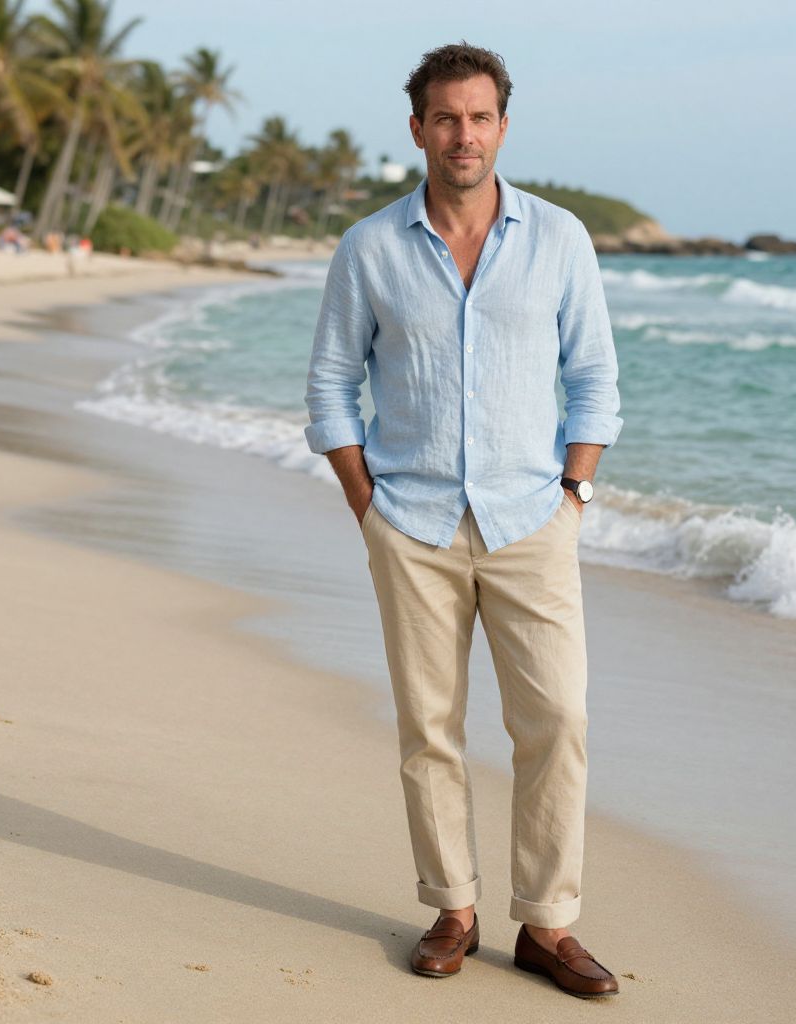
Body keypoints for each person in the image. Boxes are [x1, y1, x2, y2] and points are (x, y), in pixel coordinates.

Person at [303, 41, 623, 999]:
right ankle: (452, 906)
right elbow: (330, 383)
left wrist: (575, 493)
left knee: (556, 719)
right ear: (418, 130)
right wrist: (371, 509)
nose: (463, 135)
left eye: (480, 117)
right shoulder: (369, 247)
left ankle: (547, 925)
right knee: (430, 727)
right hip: (413, 522)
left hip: (534, 518)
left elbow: (595, 379)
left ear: (503, 127)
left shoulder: (560, 238)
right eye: (446, 117)